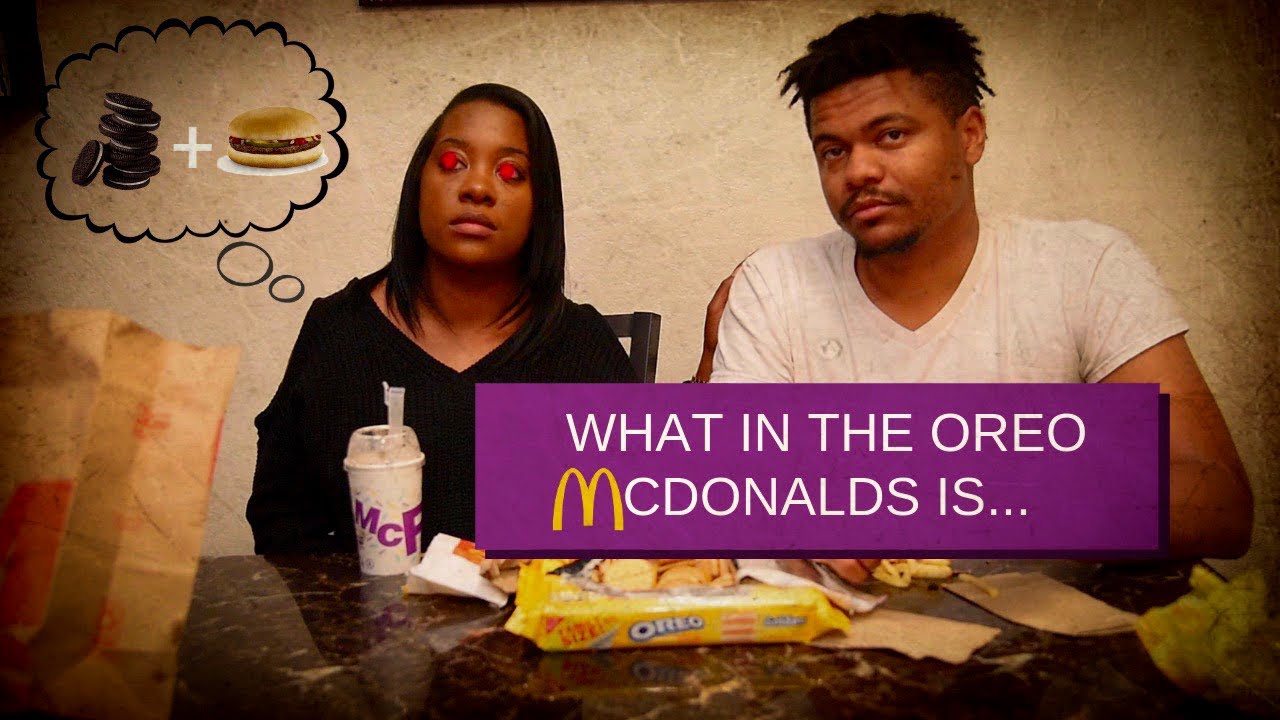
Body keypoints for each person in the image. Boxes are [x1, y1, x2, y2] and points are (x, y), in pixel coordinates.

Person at [706, 12, 1252, 561]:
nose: (858, 171)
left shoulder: (1083, 268)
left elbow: (1219, 505)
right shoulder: (775, 285)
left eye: (891, 135)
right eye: (833, 150)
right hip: (829, 615)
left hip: (1052, 613)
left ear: (970, 135)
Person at [248, 84, 638, 555]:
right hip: (366, 603)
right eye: (453, 163)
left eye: (511, 172)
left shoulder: (583, 347)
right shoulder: (337, 331)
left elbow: (636, 532)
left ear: (542, 205)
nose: (477, 188)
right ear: (419, 182)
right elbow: (281, 524)